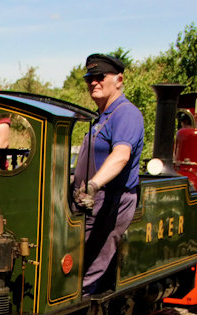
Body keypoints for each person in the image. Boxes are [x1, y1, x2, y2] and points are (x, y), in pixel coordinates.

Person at [71, 53, 144, 295]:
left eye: (100, 77)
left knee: (89, 270)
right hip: (89, 201)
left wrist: (93, 185)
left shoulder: (126, 113)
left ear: (119, 79)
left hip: (109, 200)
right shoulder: (101, 117)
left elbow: (121, 155)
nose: (93, 82)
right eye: (89, 78)